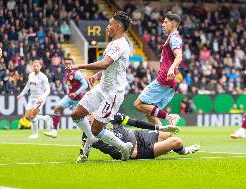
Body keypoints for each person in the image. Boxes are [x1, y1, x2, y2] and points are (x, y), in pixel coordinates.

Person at [69, 11, 133, 161]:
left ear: (118, 26)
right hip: (102, 88)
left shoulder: (120, 45)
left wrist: (79, 66)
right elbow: (112, 67)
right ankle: (91, 138)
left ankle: (124, 148)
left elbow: (105, 64)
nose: (108, 27)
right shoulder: (113, 44)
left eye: (110, 24)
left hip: (113, 93)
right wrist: (97, 75)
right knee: (76, 114)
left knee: (97, 129)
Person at [77, 113, 200, 162]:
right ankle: (184, 151)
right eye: (85, 116)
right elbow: (83, 154)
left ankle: (166, 148)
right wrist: (83, 155)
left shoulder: (112, 115)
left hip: (138, 136)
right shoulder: (88, 133)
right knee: (177, 141)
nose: (87, 118)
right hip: (137, 151)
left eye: (88, 114)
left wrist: (160, 128)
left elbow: (136, 123)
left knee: (167, 133)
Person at [134, 11, 183, 126]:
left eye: (165, 22)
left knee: (138, 104)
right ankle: (164, 139)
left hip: (164, 80)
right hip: (169, 81)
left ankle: (170, 117)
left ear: (172, 25)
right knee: (150, 112)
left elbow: (179, 56)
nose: (162, 24)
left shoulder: (174, 39)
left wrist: (171, 68)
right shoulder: (172, 38)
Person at [43, 58, 88, 138]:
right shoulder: (66, 74)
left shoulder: (77, 73)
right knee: (57, 109)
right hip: (69, 97)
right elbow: (70, 86)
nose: (67, 65)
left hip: (79, 99)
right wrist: (69, 92)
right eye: (66, 64)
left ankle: (90, 133)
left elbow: (85, 85)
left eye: (69, 63)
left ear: (73, 64)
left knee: (81, 118)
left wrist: (76, 93)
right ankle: (54, 131)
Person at [17, 60, 52, 139]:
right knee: (27, 117)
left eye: (37, 66)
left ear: (40, 66)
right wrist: (21, 94)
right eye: (34, 66)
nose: (35, 67)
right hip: (32, 98)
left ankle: (36, 133)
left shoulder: (43, 77)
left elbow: (48, 90)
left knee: (32, 116)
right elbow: (28, 86)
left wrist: (42, 98)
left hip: (39, 99)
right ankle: (45, 118)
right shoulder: (31, 75)